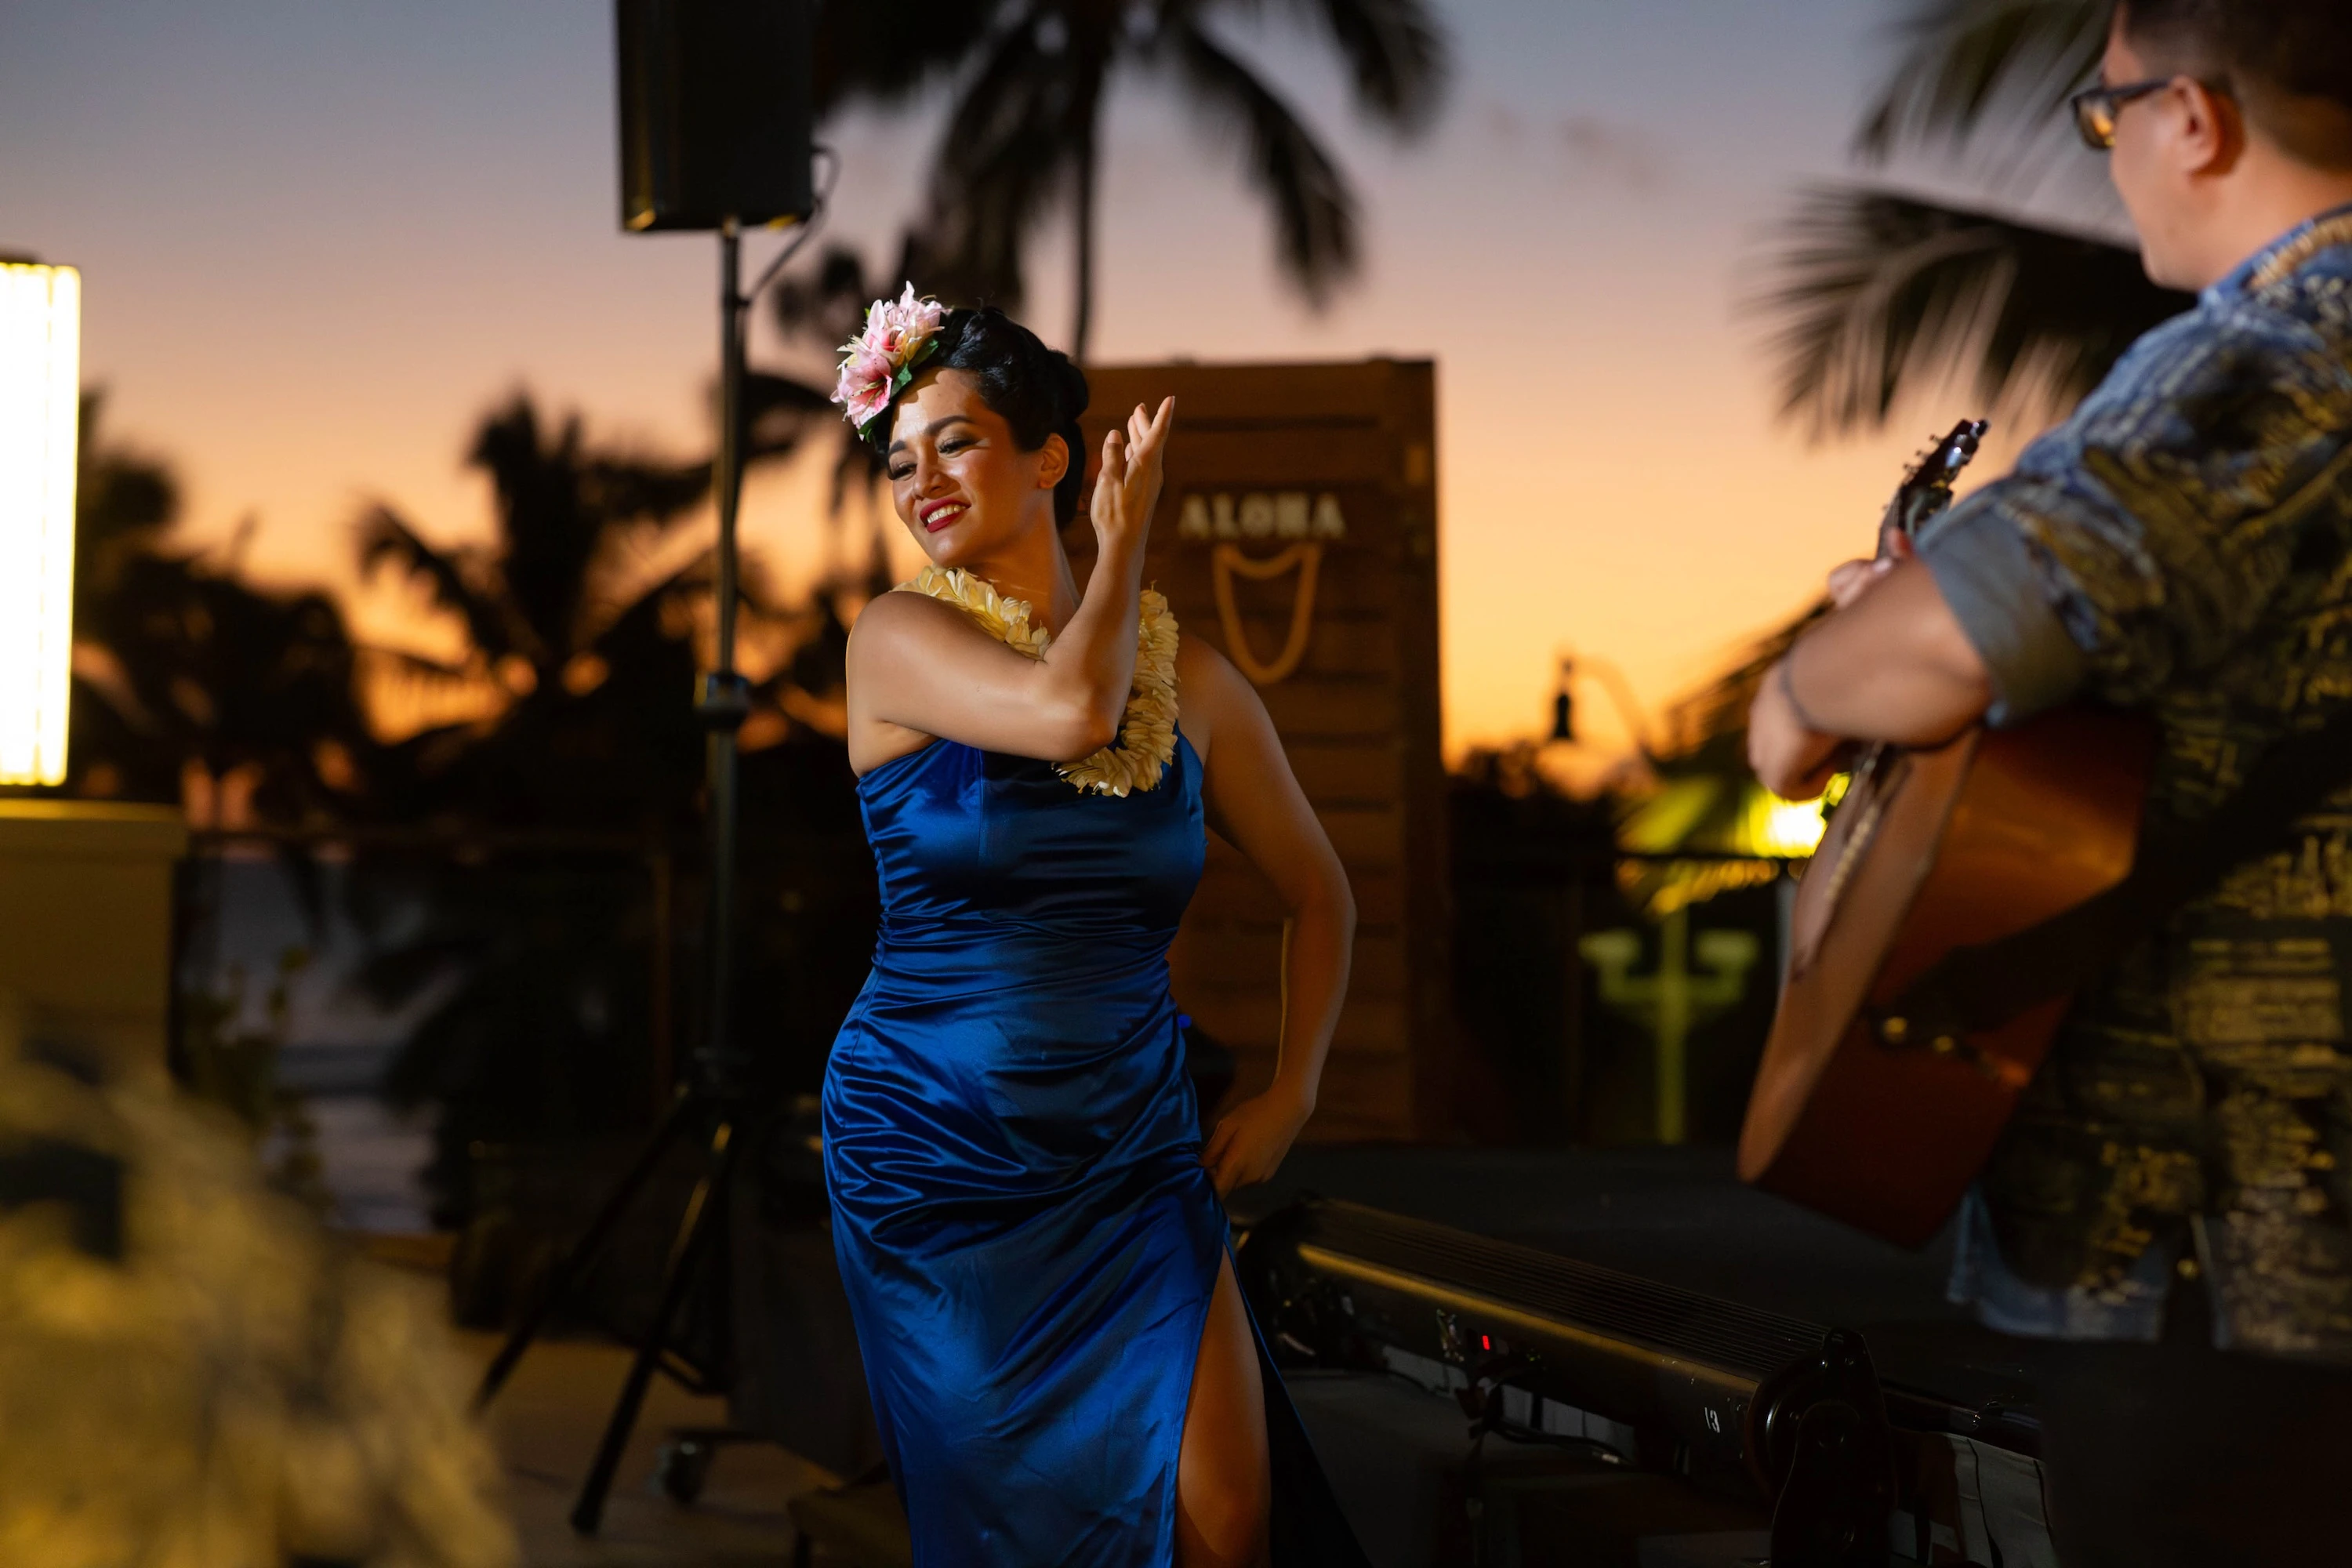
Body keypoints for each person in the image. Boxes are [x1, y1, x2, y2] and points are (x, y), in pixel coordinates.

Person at [1747, 2, 2352, 1559]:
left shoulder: (2277, 341)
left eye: (2108, 113)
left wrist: (1804, 687)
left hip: (2232, 1246)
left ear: (2196, 118)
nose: (2114, 155)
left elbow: (1955, 638)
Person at [820, 292, 1366, 1566]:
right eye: (900, 461)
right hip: (935, 1157)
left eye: (954, 442)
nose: (922, 482)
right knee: (1022, 1533)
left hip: (1131, 1150)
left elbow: (1321, 892)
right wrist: (1121, 547)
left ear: (1048, 458)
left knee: (1226, 1518)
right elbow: (1072, 712)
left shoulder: (1203, 688)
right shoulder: (898, 642)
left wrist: (1296, 1090)